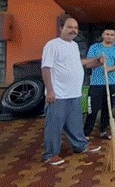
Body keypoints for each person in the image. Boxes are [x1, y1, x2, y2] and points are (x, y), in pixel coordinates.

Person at [41, 15, 102, 166]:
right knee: (54, 125)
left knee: (75, 123)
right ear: (61, 28)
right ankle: (51, 154)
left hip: (74, 93)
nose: (73, 30)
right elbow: (46, 68)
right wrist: (50, 91)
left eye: (75, 28)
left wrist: (96, 62)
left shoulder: (74, 45)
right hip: (58, 95)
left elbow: (78, 63)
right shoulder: (52, 45)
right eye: (69, 27)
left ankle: (80, 145)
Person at [83, 27, 115, 140]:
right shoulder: (95, 47)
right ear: (103, 35)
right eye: (107, 34)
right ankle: (86, 133)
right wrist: (99, 62)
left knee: (108, 108)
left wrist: (110, 68)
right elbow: (88, 65)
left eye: (112, 35)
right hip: (96, 83)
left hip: (111, 83)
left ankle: (103, 130)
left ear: (114, 37)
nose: (109, 36)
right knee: (92, 109)